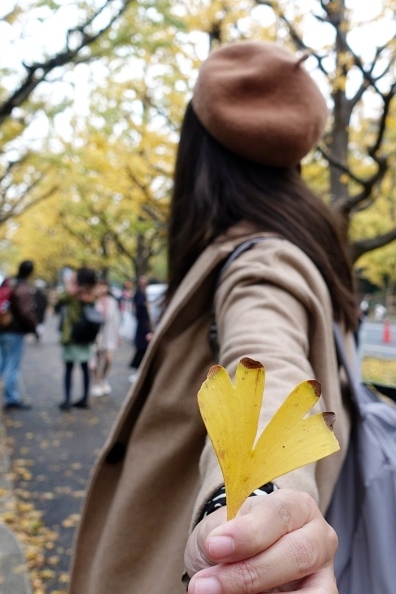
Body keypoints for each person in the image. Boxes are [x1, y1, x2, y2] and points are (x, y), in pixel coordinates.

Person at [68, 41, 356, 594]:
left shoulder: (260, 259)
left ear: (196, 149)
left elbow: (267, 360)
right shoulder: (309, 242)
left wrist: (254, 508)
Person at [0, 260, 38, 410]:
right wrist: (33, 326)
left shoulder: (8, 282)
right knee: (12, 364)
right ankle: (11, 398)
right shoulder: (22, 288)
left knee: (0, 362)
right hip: (13, 331)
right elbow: (26, 312)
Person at [56, 267, 98, 410]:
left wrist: (71, 283)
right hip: (86, 335)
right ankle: (85, 398)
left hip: (72, 335)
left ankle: (67, 400)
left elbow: (60, 299)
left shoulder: (73, 293)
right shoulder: (92, 293)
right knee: (85, 367)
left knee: (69, 368)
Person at [90, 277, 120, 397]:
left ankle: (103, 378)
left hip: (109, 334)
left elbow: (116, 320)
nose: (102, 288)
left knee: (108, 359)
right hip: (96, 335)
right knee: (95, 360)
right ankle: (96, 382)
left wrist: (118, 335)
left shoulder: (112, 301)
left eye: (105, 285)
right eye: (100, 285)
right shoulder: (92, 301)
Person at [127, 274, 153, 381]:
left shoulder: (149, 293)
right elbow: (138, 310)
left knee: (145, 350)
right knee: (140, 349)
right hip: (142, 326)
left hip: (148, 325)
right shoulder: (139, 294)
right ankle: (137, 370)